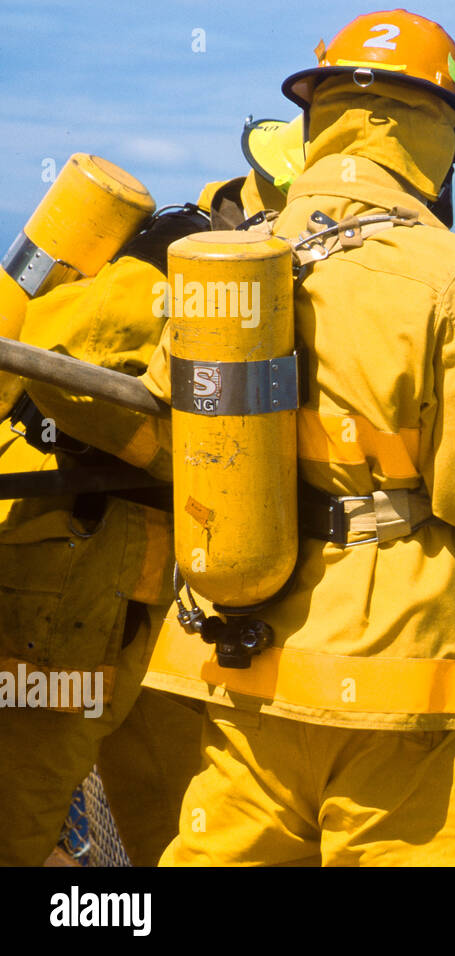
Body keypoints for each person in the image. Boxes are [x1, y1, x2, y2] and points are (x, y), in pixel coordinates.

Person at [140, 10, 455, 866]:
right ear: (441, 138)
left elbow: (170, 419)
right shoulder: (449, 272)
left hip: (246, 668)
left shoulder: (229, 259)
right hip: (409, 690)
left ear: (319, 120)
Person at [0, 137, 301, 866]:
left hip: (152, 616)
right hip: (66, 600)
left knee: (186, 830)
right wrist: (173, 455)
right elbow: (59, 352)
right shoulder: (173, 271)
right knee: (17, 822)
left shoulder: (237, 294)